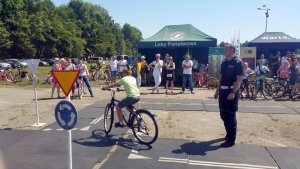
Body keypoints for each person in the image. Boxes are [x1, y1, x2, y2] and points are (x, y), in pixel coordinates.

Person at [214, 45, 244, 148]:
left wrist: (233, 92)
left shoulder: (238, 63)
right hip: (222, 91)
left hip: (231, 91)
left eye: (226, 49)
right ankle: (228, 134)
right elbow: (221, 78)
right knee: (223, 115)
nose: (225, 51)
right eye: (225, 49)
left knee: (230, 116)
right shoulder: (224, 63)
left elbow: (239, 79)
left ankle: (231, 140)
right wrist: (217, 91)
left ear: (232, 50)